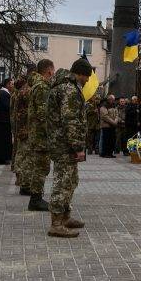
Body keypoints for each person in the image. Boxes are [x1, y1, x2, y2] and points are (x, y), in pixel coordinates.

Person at [45, 59, 91, 238]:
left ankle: (65, 217)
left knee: (70, 181)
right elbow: (70, 121)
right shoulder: (69, 89)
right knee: (63, 183)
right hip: (65, 145)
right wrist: (78, 146)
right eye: (87, 76)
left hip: (63, 143)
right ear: (80, 73)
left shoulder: (64, 86)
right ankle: (56, 223)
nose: (87, 80)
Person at [24, 59, 56, 211]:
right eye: (53, 71)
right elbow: (44, 115)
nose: (53, 73)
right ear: (49, 70)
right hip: (41, 136)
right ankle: (35, 200)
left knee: (40, 167)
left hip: (37, 134)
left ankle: (36, 197)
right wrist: (51, 134)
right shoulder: (43, 87)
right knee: (41, 168)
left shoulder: (38, 85)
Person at [10, 75, 30, 186]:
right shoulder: (22, 93)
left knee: (17, 151)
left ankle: (17, 172)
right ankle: (19, 176)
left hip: (17, 124)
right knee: (21, 152)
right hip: (22, 125)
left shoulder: (15, 94)